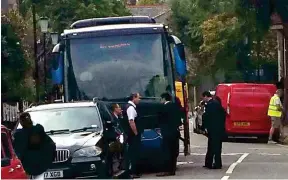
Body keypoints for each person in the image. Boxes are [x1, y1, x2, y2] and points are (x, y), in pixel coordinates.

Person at [13, 112, 56, 179]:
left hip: (26, 167)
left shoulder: (19, 135)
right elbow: (51, 145)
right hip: (40, 165)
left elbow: (17, 152)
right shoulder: (39, 130)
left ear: (21, 122)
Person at [157, 92, 181, 177]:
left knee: (166, 151)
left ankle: (167, 170)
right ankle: (172, 170)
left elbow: (160, 120)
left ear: (164, 99)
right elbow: (179, 119)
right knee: (174, 151)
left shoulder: (163, 108)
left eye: (161, 99)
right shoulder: (175, 106)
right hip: (175, 132)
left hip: (167, 132)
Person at [202, 91, 225, 169]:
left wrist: (205, 127)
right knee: (213, 146)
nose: (203, 99)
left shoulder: (211, 105)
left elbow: (207, 117)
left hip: (214, 129)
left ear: (205, 96)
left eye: (203, 97)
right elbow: (223, 114)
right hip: (217, 129)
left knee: (215, 147)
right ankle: (210, 163)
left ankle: (216, 164)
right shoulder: (215, 104)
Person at [126, 93, 141, 178]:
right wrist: (136, 133)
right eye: (138, 98)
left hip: (132, 135)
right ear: (134, 98)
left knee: (134, 152)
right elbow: (131, 121)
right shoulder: (131, 108)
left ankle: (135, 171)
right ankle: (134, 172)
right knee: (134, 153)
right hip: (132, 135)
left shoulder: (131, 107)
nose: (139, 100)